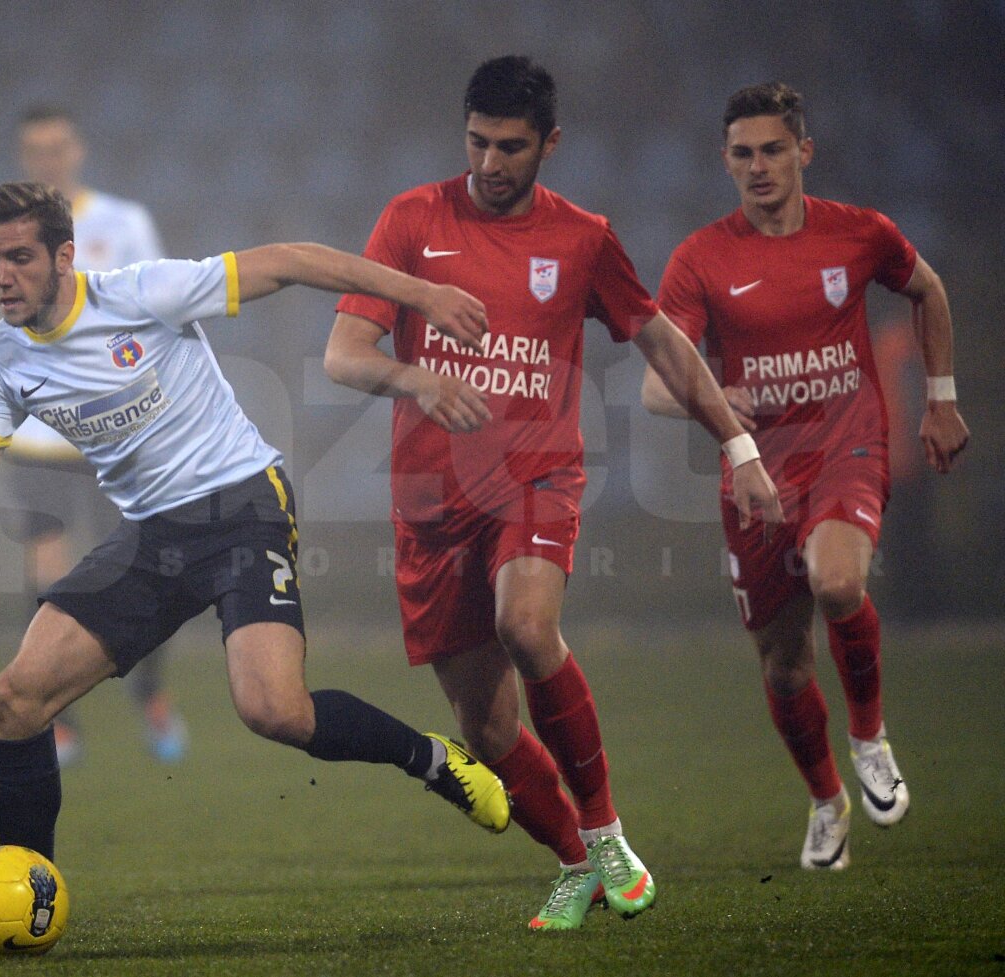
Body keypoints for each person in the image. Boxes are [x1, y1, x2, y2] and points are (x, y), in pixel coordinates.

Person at [0, 182, 510, 942]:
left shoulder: (143, 294)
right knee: (16, 698)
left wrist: (424, 295)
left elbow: (294, 260)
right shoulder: (4, 358)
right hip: (152, 534)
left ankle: (434, 759)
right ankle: (25, 892)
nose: (0, 276)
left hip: (243, 507)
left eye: (18, 258)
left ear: (64, 257)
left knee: (274, 709)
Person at [324, 55, 783, 931]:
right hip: (430, 501)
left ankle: (606, 833)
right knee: (487, 727)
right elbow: (344, 354)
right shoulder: (413, 219)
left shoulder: (583, 237)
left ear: (550, 143)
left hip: (537, 475)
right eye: (478, 143)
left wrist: (738, 442)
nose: (491, 164)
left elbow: (663, 345)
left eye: (511, 147)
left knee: (526, 624)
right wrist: (419, 381)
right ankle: (577, 861)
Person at [641, 82, 969, 870]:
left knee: (836, 581)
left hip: (846, 446)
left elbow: (928, 289)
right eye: (743, 154)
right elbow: (656, 384)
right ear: (726, 161)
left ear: (803, 153)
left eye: (773, 150)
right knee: (783, 663)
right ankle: (826, 800)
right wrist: (715, 399)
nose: (758, 167)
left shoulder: (859, 235)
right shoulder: (701, 258)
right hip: (756, 474)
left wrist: (942, 399)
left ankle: (869, 735)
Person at [0, 104, 180, 767]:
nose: (48, 158)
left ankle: (151, 695)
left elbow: (159, 314)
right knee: (49, 570)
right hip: (42, 437)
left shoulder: (124, 223)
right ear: (25, 156)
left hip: (121, 439)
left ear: (77, 149)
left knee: (140, 571)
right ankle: (59, 718)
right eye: (35, 149)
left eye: (57, 146)